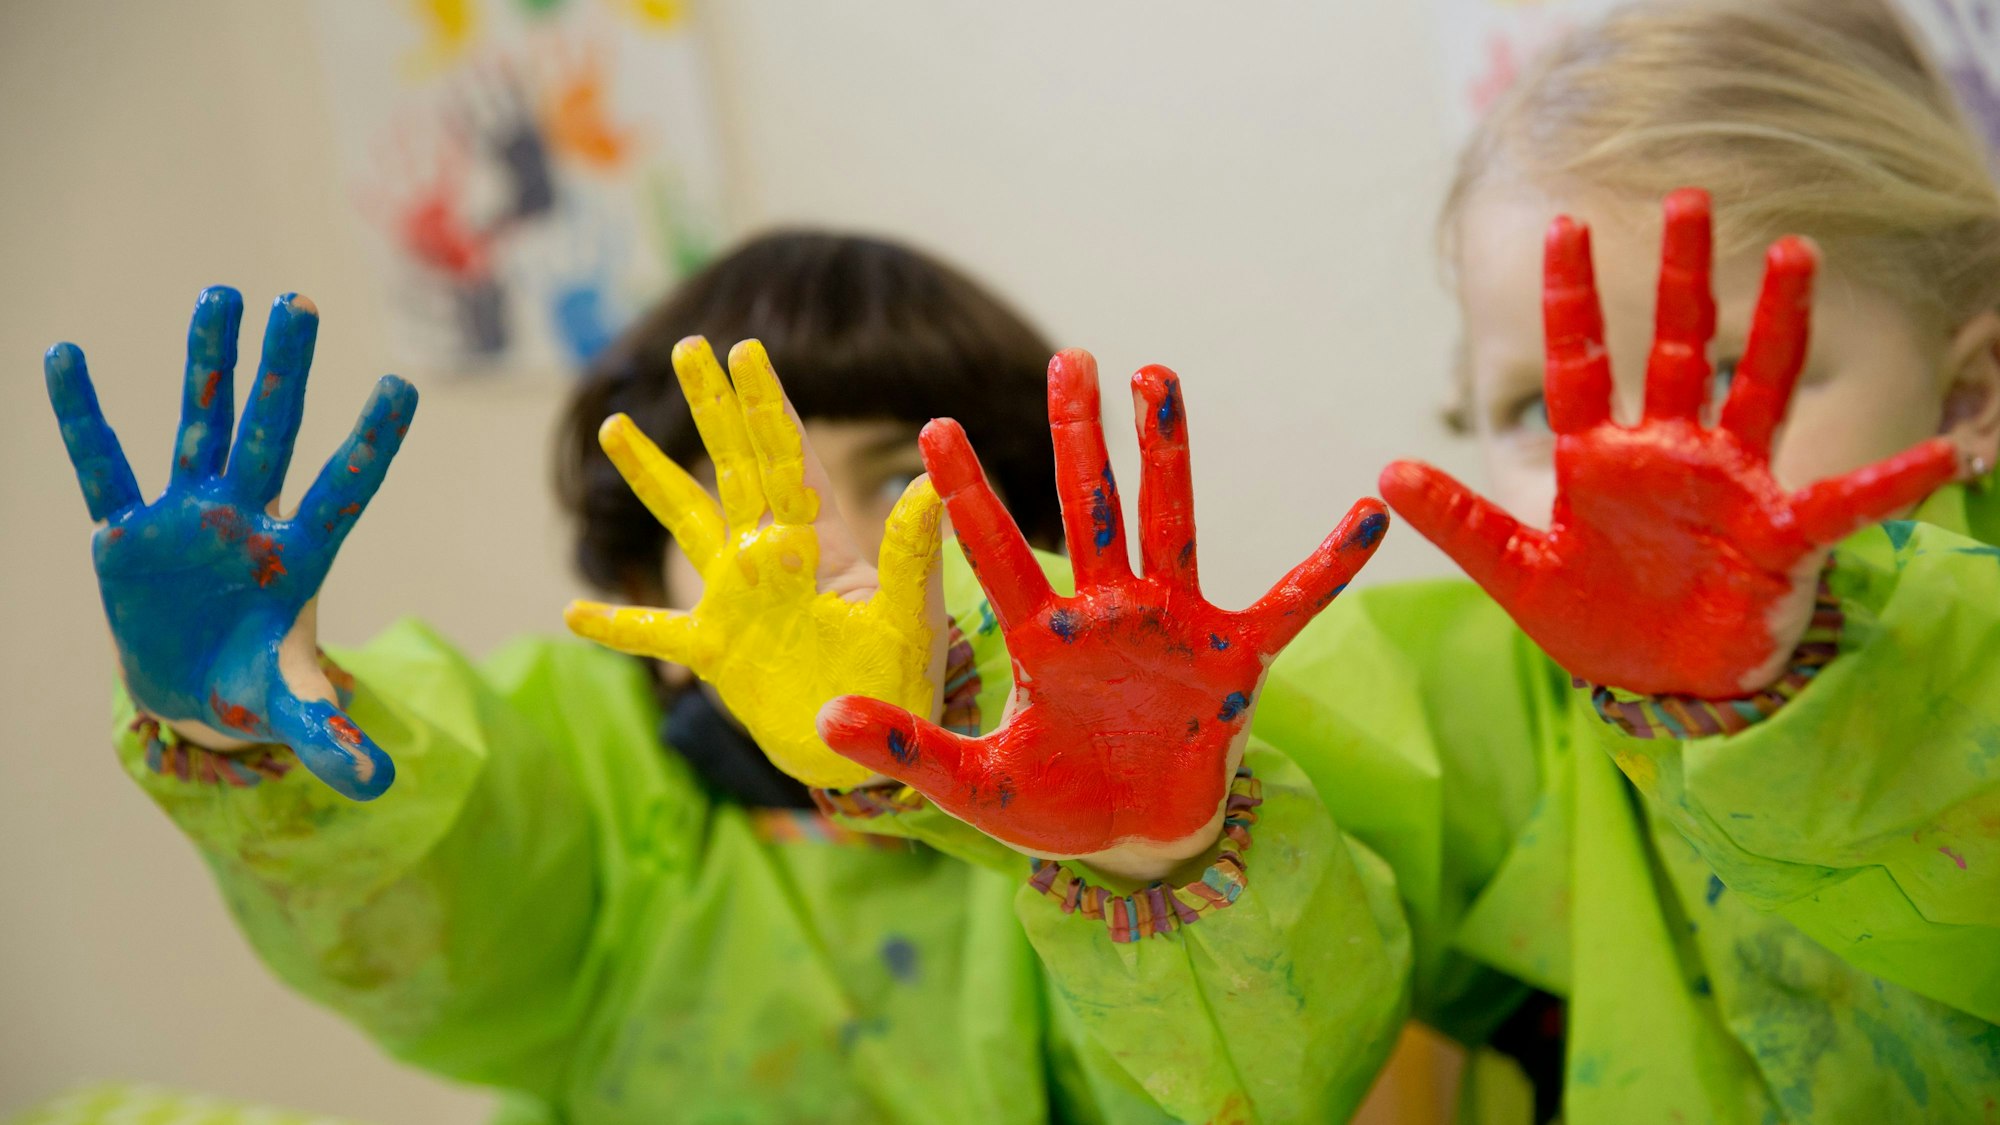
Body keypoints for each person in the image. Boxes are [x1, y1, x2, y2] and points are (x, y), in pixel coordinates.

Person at [44, 231, 1407, 1123]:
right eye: (758, 512)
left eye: (908, 488)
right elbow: (441, 890)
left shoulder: (1125, 786)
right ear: (644, 581)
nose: (849, 560)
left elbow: (1275, 1079)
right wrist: (245, 736)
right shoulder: (595, 767)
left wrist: (1154, 860)